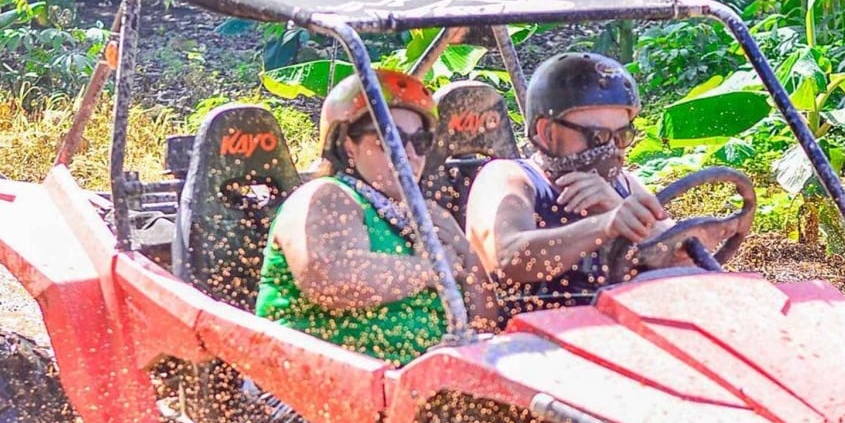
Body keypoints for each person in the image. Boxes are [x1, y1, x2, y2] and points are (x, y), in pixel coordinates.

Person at [254, 70, 498, 364]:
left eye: (419, 141)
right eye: (389, 139)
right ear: (348, 145)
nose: (408, 152)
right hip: (316, 380)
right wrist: (431, 270)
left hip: (425, 380)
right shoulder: (326, 196)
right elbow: (330, 279)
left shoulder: (430, 215)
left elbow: (485, 316)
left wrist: (467, 258)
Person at [465, 52, 669, 310]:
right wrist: (604, 225)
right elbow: (508, 259)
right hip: (532, 342)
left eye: (621, 136)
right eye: (598, 136)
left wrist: (617, 207)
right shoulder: (510, 177)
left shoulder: (624, 185)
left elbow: (686, 255)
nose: (611, 150)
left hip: (624, 335)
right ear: (547, 133)